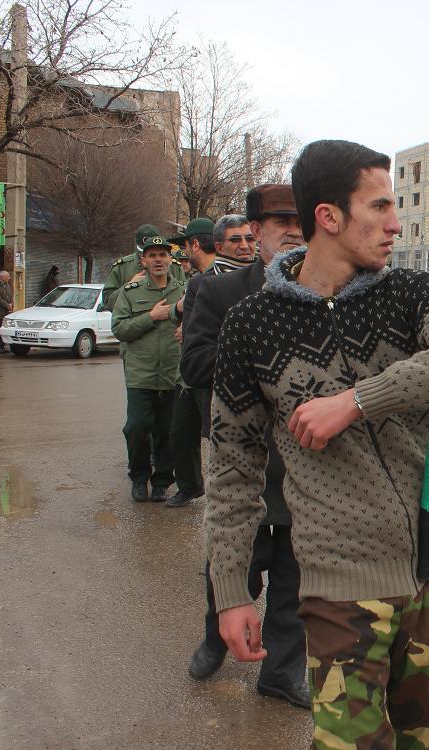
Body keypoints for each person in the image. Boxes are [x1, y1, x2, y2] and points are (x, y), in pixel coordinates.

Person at [205, 141, 429, 750]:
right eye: (381, 205)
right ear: (329, 217)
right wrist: (230, 589)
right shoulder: (251, 326)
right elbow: (230, 466)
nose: (396, 223)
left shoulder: (412, 294)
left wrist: (356, 401)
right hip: (340, 590)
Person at [180, 186, 308, 707]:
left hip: (306, 463)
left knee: (293, 583)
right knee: (235, 565)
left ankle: (281, 672)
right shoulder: (219, 293)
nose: (296, 230)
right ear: (255, 231)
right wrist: (272, 363)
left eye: (303, 220)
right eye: (282, 221)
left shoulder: (329, 296)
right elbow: (193, 366)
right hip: (245, 461)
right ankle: (217, 638)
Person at [110, 233, 184, 503]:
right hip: (140, 373)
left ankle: (162, 481)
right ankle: (139, 478)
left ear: (170, 259)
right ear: (143, 260)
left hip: (172, 372)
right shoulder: (130, 293)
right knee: (137, 427)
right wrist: (151, 317)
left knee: (167, 430)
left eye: (163, 254)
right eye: (152, 255)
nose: (158, 260)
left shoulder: (182, 289)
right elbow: (119, 329)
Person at [162, 217, 216, 508]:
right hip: (189, 373)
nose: (184, 253)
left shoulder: (223, 277)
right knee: (180, 432)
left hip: (209, 372)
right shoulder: (194, 281)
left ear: (195, 245)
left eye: (185, 246)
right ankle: (191, 486)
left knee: (218, 436)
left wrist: (188, 326)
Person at [102, 224, 184, 313]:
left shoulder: (174, 267)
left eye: (161, 254)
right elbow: (107, 303)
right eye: (150, 254)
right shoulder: (122, 267)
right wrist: (128, 287)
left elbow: (185, 299)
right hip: (135, 323)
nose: (157, 259)